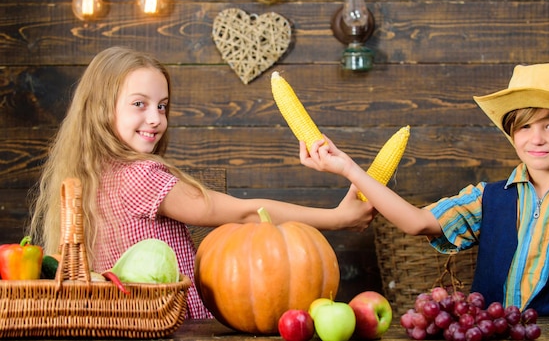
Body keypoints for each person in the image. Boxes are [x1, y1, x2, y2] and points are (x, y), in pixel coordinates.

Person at [28, 46, 374, 320]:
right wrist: (338, 218)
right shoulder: (140, 177)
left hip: (135, 322)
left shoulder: (92, 176)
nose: (156, 118)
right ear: (100, 109)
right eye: (139, 104)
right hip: (181, 324)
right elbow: (244, 215)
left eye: (162, 106)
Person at [299, 61, 549, 327]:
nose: (536, 138)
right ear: (512, 134)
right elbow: (416, 222)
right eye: (525, 126)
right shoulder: (486, 198)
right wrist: (349, 169)